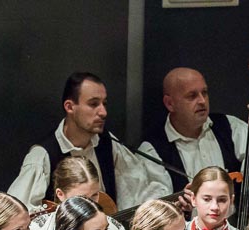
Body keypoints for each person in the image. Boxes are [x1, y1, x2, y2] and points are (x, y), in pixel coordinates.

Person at [9, 72, 167, 211]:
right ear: (70, 107)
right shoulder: (43, 155)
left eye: (104, 103)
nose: (103, 112)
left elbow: (139, 191)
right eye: (93, 104)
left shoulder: (109, 143)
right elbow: (15, 212)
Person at [138, 67, 249, 195]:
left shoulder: (229, 127)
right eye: (192, 96)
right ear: (170, 103)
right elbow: (155, 207)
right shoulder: (152, 150)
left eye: (204, 93)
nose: (202, 101)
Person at [27, 156, 129, 230]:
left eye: (95, 195)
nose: (90, 203)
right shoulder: (37, 229)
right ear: (60, 194)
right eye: (81, 198)